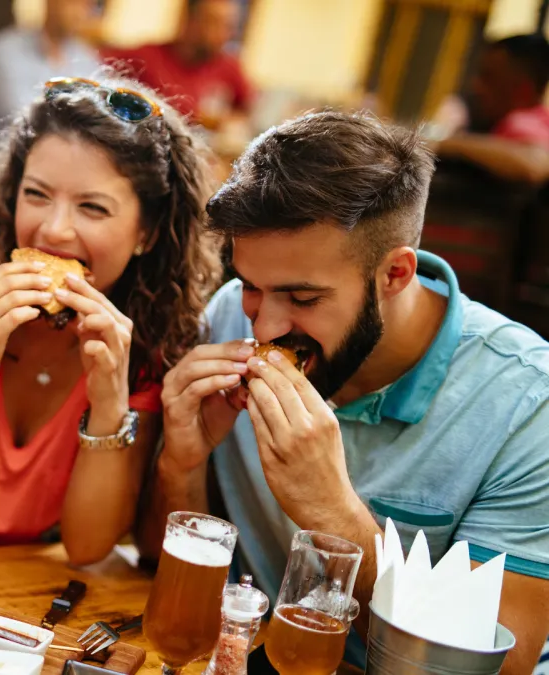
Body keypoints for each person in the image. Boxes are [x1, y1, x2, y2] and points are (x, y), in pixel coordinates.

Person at [145, 111, 549, 672]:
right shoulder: (226, 320)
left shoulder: (529, 404)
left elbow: (502, 664)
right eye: (250, 287)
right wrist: (181, 465)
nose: (262, 329)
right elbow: (162, 572)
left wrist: (331, 512)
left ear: (395, 275)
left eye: (304, 299)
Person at [0, 73, 221, 563]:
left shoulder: (151, 333)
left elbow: (87, 548)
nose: (53, 230)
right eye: (37, 194)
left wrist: (109, 403)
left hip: (25, 600)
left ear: (147, 232)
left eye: (92, 207)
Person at [0, 0, 103, 151]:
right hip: (12, 159)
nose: (82, 11)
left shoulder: (85, 57)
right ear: (51, 3)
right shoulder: (6, 51)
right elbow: (28, 120)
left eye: (90, 5)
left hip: (64, 156)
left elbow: (99, 114)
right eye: (75, 2)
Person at [104, 0, 253, 130]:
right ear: (189, 20)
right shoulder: (146, 57)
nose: (224, 34)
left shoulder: (229, 66)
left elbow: (249, 113)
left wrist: (224, 122)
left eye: (228, 26)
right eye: (213, 22)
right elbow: (95, 65)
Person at [437, 34, 549, 184]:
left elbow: (535, 163)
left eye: (488, 78)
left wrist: (443, 144)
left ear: (523, 91)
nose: (476, 86)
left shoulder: (522, 121)